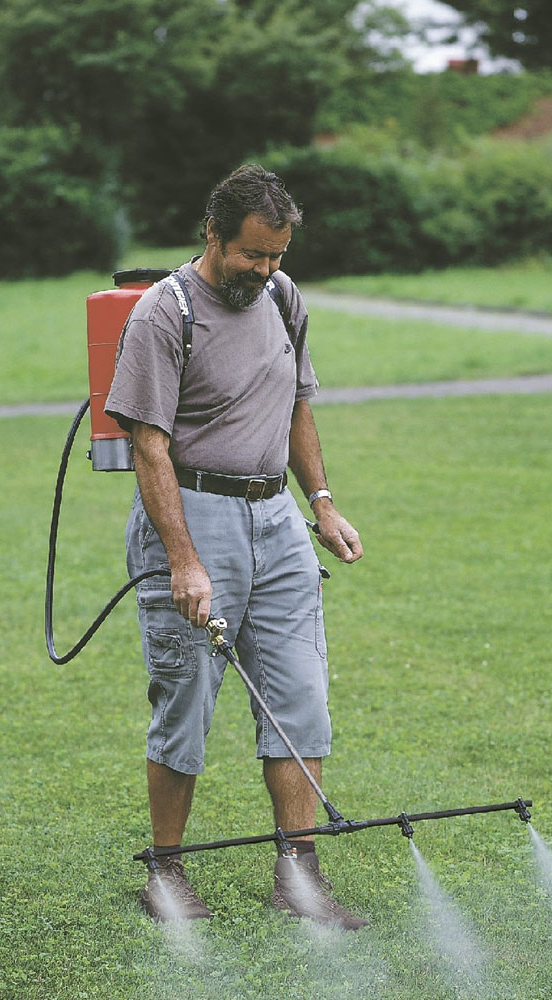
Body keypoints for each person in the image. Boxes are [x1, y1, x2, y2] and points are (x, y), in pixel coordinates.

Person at [104, 163, 367, 930]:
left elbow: (296, 404)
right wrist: (183, 560)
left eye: (277, 255)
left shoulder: (283, 298)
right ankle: (164, 871)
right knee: (185, 699)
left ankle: (298, 874)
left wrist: (320, 502)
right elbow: (150, 447)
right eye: (252, 254)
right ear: (212, 234)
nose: (265, 270)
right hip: (190, 512)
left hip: (277, 518)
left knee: (299, 695)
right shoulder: (163, 314)